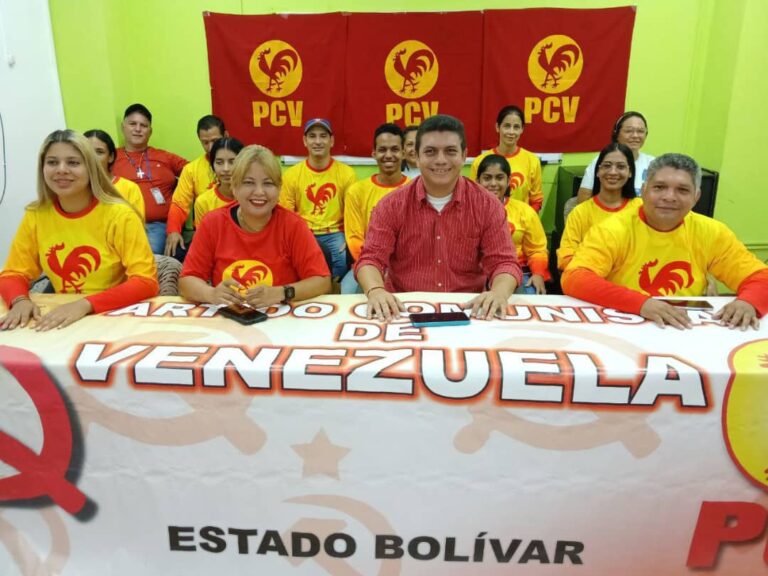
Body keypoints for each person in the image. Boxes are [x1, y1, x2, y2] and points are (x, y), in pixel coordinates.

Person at [562, 153, 768, 330]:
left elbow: (760, 277)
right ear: (644, 191)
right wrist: (642, 304)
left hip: (686, 326)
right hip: (623, 321)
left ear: (696, 197)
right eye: (659, 187)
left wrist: (749, 302)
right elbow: (575, 278)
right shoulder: (612, 229)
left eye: (682, 190)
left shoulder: (712, 232)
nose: (669, 197)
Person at [355, 114, 522, 321]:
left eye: (450, 151)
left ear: (464, 155)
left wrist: (499, 293)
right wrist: (376, 291)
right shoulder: (390, 206)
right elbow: (370, 259)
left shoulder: (488, 205)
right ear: (416, 157)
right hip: (403, 312)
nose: (441, 160)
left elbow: (504, 263)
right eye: (430, 152)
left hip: (469, 312)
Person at [0, 130, 158, 331]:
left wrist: (85, 304)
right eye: (52, 162)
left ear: (91, 168)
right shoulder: (36, 214)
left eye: (73, 163)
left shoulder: (120, 215)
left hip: (113, 314)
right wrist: (20, 300)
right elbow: (13, 272)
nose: (61, 170)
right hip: (62, 315)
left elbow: (145, 281)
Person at [179, 145, 331, 308]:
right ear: (234, 187)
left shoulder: (294, 225)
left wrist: (282, 293)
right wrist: (211, 294)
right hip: (229, 317)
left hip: (281, 318)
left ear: (279, 188)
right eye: (249, 183)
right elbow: (186, 282)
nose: (259, 192)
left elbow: (322, 282)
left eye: (268, 183)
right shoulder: (212, 223)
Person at [278, 118, 356, 283]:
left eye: (323, 136)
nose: (318, 141)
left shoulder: (346, 173)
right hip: (304, 232)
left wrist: (350, 239)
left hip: (335, 233)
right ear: (305, 141)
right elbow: (286, 214)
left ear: (331, 141)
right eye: (312, 136)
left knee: (341, 266)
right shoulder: (292, 175)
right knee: (301, 271)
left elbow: (353, 212)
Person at [112, 103, 187, 255]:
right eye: (133, 124)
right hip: (121, 225)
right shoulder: (111, 158)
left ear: (150, 131)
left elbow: (195, 171)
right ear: (123, 127)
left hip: (156, 226)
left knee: (147, 255)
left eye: (143, 125)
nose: (138, 129)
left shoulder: (164, 157)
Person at [343, 123, 409, 293]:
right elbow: (354, 240)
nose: (388, 155)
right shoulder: (356, 191)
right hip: (369, 265)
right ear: (373, 153)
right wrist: (375, 268)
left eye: (395, 149)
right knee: (347, 290)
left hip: (407, 268)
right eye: (382, 150)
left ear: (403, 153)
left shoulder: (415, 190)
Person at [557, 142, 641, 270]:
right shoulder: (580, 212)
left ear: (630, 172)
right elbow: (566, 258)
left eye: (621, 166)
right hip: (590, 275)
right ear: (597, 171)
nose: (613, 172)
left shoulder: (641, 209)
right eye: (607, 166)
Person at [477, 154, 549, 294]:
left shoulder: (524, 211)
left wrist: (538, 274)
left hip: (517, 272)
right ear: (478, 181)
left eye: (499, 178)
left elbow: (537, 249)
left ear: (509, 180)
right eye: (487, 178)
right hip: (475, 274)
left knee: (529, 301)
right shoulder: (465, 210)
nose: (493, 183)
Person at [165, 115, 228, 258]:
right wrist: (173, 230)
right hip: (206, 233)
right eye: (205, 142)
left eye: (215, 141)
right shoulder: (191, 169)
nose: (211, 148)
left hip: (237, 230)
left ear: (226, 136)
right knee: (175, 253)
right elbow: (179, 204)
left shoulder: (242, 164)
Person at [469, 105, 543, 212]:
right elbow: (473, 198)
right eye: (507, 126)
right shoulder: (480, 161)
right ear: (497, 127)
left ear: (522, 129)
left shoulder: (532, 160)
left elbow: (536, 201)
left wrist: (525, 218)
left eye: (516, 127)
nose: (511, 132)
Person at [576, 111, 654, 203]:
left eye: (640, 131)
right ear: (617, 134)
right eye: (629, 131)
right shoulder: (602, 160)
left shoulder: (654, 163)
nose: (635, 135)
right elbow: (583, 199)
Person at [84, 129, 145, 221]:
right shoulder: (77, 188)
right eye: (88, 152)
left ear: (111, 157)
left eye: (99, 152)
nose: (93, 157)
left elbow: (136, 224)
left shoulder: (129, 188)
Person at [193, 137, 244, 227]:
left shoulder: (252, 197)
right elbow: (203, 235)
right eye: (219, 162)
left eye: (232, 162)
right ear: (212, 165)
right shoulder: (203, 202)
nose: (226, 169)